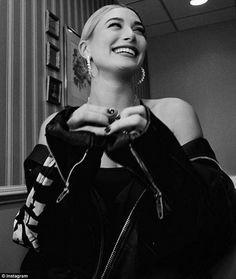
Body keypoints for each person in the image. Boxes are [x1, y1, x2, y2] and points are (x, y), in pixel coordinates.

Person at [13, 4, 236, 279]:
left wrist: (158, 153)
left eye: (139, 29)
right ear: (85, 49)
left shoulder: (175, 113)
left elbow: (213, 220)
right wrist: (70, 176)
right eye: (116, 25)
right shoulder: (56, 126)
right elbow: (41, 234)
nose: (131, 34)